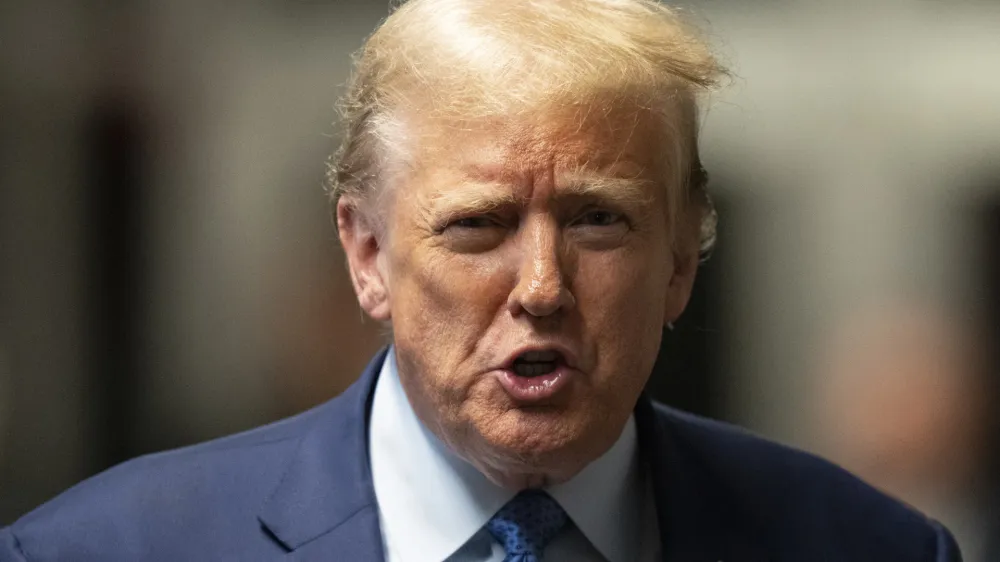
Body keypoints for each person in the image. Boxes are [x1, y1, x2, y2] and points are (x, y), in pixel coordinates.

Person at [0, 0, 962, 560]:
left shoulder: (869, 549)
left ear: (680, 258)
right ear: (368, 255)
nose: (542, 285)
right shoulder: (100, 551)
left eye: (598, 219)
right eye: (477, 226)